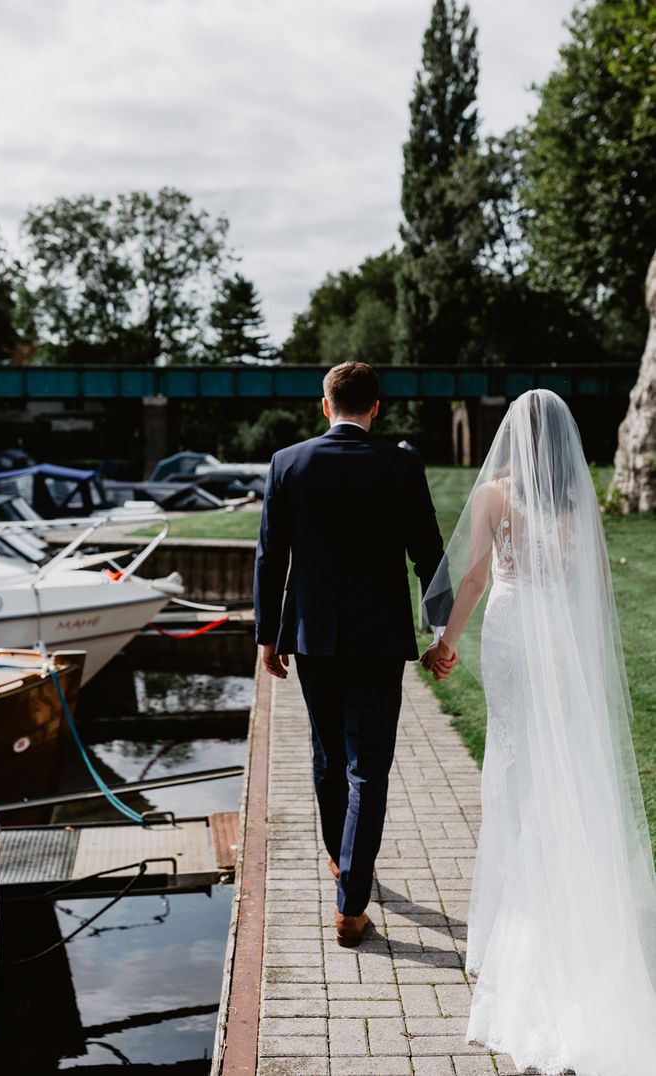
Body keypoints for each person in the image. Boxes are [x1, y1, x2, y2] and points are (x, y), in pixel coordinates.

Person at [422, 389, 656, 1074]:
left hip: (511, 630)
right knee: (562, 766)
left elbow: (469, 581)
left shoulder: (495, 496)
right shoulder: (578, 502)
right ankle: (574, 903)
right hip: (555, 635)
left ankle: (521, 925)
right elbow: (587, 585)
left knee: (516, 765)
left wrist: (445, 645)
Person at [254, 361, 454, 946]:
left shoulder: (288, 463)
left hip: (313, 638)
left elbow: (271, 556)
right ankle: (350, 902)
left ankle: (342, 863)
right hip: (379, 640)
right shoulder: (400, 463)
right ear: (376, 407)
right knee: (368, 764)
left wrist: (268, 633)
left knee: (325, 752)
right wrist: (441, 629)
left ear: (325, 406)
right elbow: (428, 553)